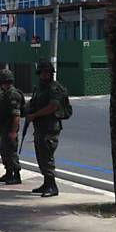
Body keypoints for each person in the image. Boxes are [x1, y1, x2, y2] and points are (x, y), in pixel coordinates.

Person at [24, 60, 70, 197]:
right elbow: (33, 103)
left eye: (47, 73)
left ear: (51, 73)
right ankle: (46, 183)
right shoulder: (39, 88)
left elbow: (52, 107)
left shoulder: (55, 88)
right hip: (40, 127)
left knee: (47, 156)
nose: (44, 75)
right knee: (41, 156)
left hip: (50, 127)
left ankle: (52, 186)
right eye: (42, 73)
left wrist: (34, 115)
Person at [0, 68, 24, 185]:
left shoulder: (13, 94)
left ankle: (16, 175)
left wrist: (13, 132)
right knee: (4, 151)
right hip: (4, 128)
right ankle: (9, 172)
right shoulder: (5, 94)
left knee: (11, 151)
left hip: (10, 128)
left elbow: (16, 115)